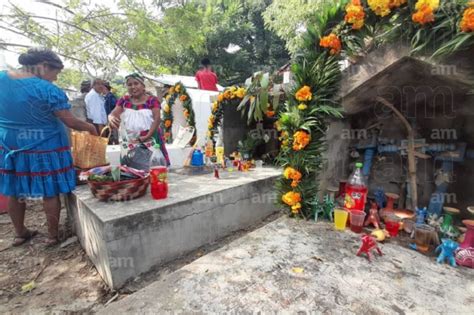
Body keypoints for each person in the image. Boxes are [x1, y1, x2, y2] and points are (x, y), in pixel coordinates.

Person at [0, 48, 97, 246]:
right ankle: (52, 236)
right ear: (43, 66)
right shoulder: (46, 89)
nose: (54, 78)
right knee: (50, 191)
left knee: (14, 191)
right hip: (44, 146)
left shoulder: (2, 79)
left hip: (9, 144)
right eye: (55, 73)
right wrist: (90, 127)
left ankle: (20, 233)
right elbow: (70, 121)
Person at [108, 73, 170, 165]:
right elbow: (114, 113)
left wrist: (147, 136)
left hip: (150, 139)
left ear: (143, 85)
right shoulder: (124, 100)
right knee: (132, 170)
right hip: (130, 141)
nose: (133, 87)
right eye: (129, 85)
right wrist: (111, 117)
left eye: (136, 83)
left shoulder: (152, 100)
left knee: (152, 168)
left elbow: (157, 119)